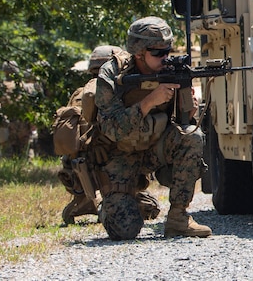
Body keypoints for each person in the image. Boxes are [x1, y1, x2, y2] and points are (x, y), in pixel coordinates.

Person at [93, 17, 211, 239]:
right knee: (124, 230)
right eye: (157, 53)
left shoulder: (172, 70)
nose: (164, 57)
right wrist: (149, 101)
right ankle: (122, 197)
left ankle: (178, 218)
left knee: (192, 137)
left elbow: (179, 123)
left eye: (167, 51)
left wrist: (188, 110)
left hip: (154, 148)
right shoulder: (112, 75)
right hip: (119, 154)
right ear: (138, 52)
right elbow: (112, 128)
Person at [56, 45, 161, 225]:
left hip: (88, 169)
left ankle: (84, 199)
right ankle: (129, 195)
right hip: (123, 164)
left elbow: (68, 143)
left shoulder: (80, 95)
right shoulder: (128, 91)